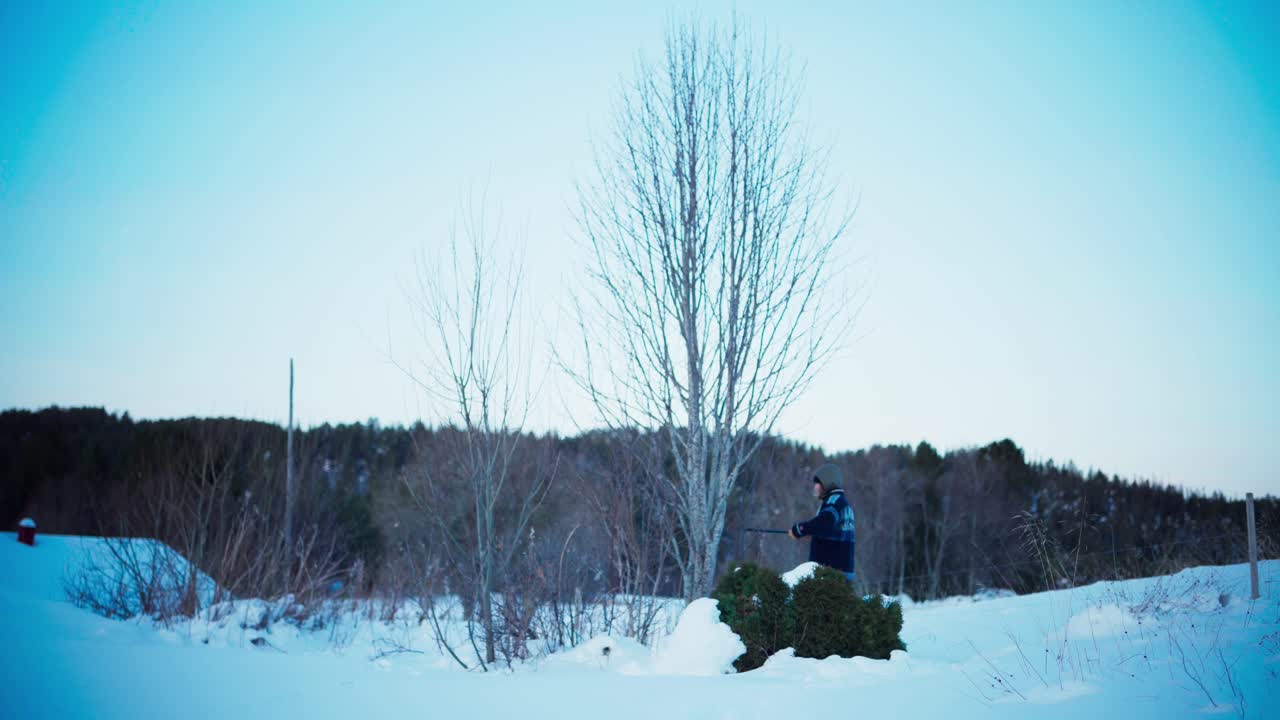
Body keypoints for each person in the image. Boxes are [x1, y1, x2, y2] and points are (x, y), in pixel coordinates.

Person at [788, 463, 856, 581]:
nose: (815, 487)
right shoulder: (842, 502)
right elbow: (831, 529)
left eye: (818, 483)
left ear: (827, 483)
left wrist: (799, 530)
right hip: (841, 571)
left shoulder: (833, 502)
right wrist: (814, 534)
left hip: (831, 574)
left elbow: (823, 523)